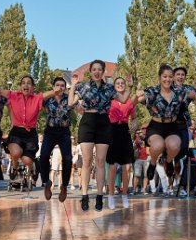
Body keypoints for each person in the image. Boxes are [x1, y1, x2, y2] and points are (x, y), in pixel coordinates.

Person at [133, 64, 196, 196]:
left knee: (175, 146)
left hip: (172, 126)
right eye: (165, 77)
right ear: (160, 77)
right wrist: (133, 107)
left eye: (170, 77)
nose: (167, 79)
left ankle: (168, 162)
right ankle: (153, 164)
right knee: (158, 145)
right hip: (156, 126)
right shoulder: (152, 91)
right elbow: (135, 101)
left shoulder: (180, 90)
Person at [68, 60, 131, 212]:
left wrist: (130, 86)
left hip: (103, 123)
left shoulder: (109, 88)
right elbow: (70, 103)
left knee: (101, 161)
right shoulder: (83, 86)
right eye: (94, 69)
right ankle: (84, 195)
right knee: (87, 161)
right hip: (87, 122)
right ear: (90, 72)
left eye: (99, 70)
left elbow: (123, 99)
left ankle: (99, 196)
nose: (96, 72)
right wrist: (73, 85)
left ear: (103, 72)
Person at [0, 75, 57, 191]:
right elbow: (0, 91)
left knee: (27, 160)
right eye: (23, 83)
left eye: (29, 83)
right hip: (17, 131)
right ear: (20, 86)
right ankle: (14, 167)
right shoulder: (13, 95)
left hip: (30, 133)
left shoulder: (37, 98)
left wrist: (56, 90)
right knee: (16, 152)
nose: (26, 85)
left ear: (32, 87)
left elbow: (48, 94)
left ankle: (32, 170)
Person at [39, 77, 75, 202]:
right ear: (53, 86)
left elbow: (80, 108)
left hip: (64, 132)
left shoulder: (68, 98)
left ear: (65, 87)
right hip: (50, 131)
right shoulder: (47, 99)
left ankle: (64, 186)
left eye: (62, 85)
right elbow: (37, 100)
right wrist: (51, 93)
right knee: (43, 156)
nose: (60, 87)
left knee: (68, 159)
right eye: (57, 85)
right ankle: (46, 182)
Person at [106, 77, 139, 209]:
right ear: (114, 86)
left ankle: (124, 194)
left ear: (125, 86)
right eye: (117, 83)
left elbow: (135, 118)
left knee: (127, 167)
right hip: (112, 131)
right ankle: (110, 195)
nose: (120, 85)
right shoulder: (110, 100)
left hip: (125, 132)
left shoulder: (129, 102)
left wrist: (134, 125)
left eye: (122, 83)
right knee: (113, 166)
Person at [173, 67, 196, 191]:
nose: (180, 76)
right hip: (169, 123)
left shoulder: (188, 88)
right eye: (178, 74)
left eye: (182, 74)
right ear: (173, 76)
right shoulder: (167, 87)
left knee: (182, 151)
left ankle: (179, 177)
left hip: (183, 123)